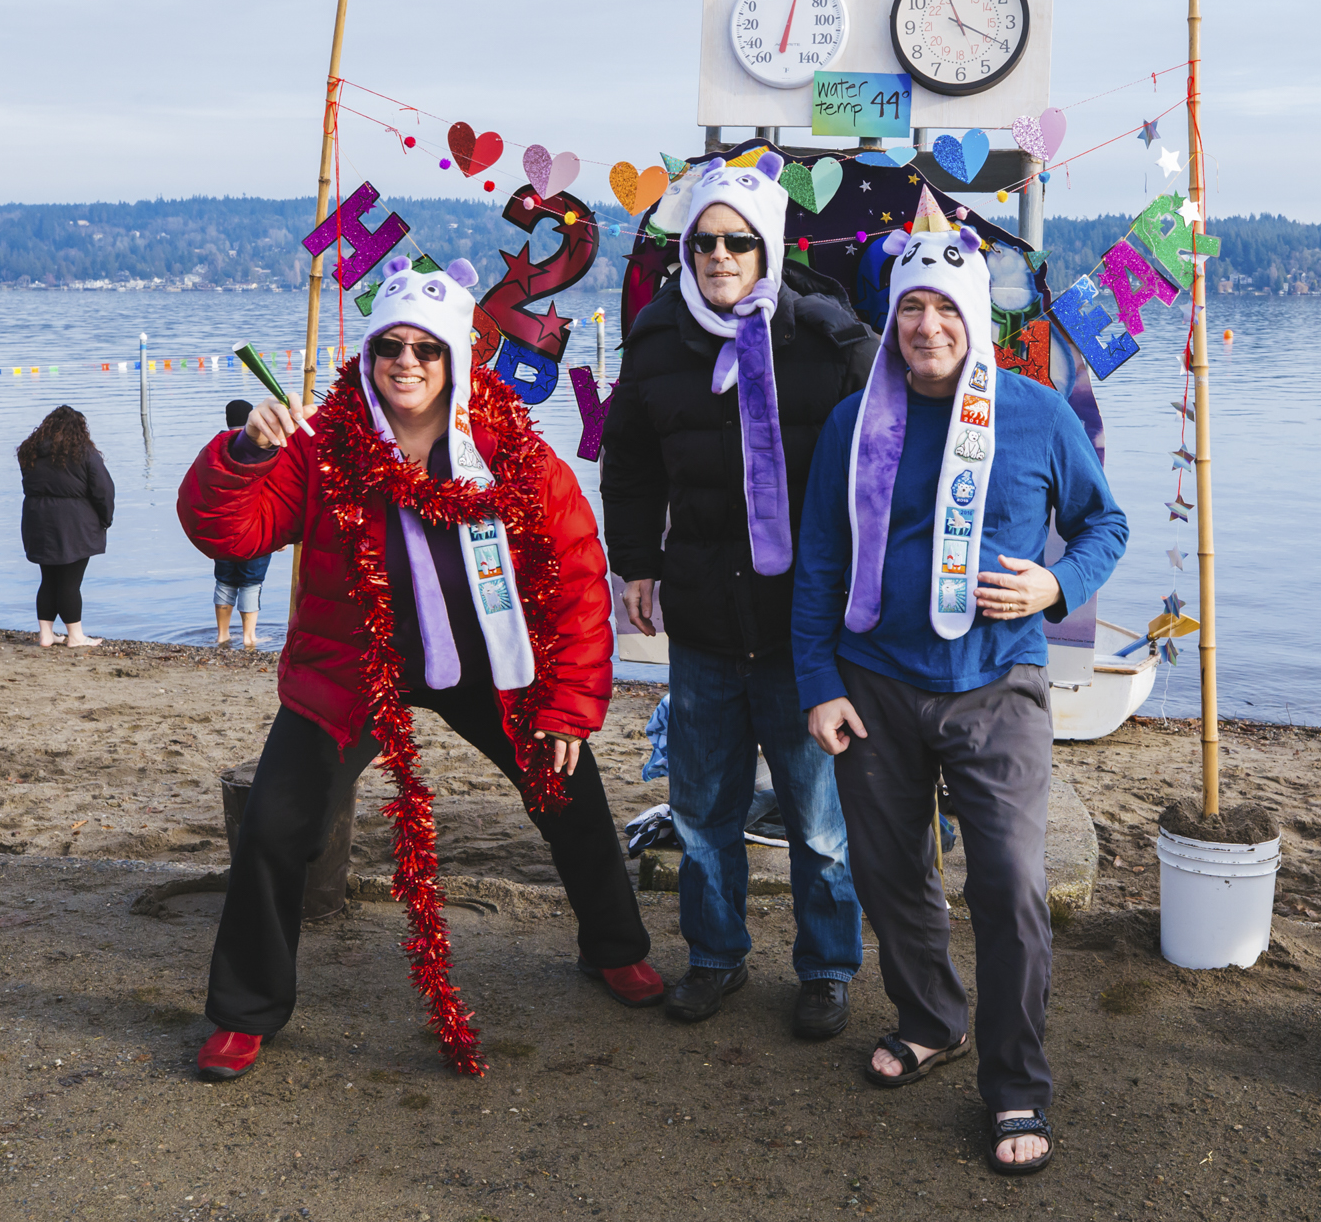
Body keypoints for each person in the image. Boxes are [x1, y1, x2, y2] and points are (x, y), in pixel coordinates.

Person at [178, 255, 660, 1082]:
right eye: (389, 347)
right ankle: (244, 1009)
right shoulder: (324, 444)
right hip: (352, 666)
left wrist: (571, 702)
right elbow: (231, 533)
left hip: (492, 661)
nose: (406, 362)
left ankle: (614, 946)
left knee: (569, 791)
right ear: (368, 357)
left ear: (455, 357)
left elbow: (579, 574)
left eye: (425, 349)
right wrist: (244, 452)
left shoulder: (515, 451)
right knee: (273, 824)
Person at [791, 193, 1128, 1175]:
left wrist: (1056, 580)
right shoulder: (857, 420)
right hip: (875, 679)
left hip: (995, 685)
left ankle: (1015, 1081)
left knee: (1010, 881)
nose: (925, 327)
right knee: (890, 873)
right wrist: (819, 681)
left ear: (973, 317)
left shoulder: (1035, 412)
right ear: (890, 318)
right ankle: (929, 1016)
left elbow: (1103, 523)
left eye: (944, 310)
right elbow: (818, 558)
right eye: (909, 310)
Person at [601, 151, 875, 1037]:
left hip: (805, 630)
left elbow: (895, 448)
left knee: (819, 822)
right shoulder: (656, 342)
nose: (719, 257)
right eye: (704, 242)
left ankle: (828, 967)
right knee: (703, 811)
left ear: (769, 248)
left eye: (738, 242)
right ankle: (715, 958)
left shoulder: (829, 342)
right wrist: (634, 561)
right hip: (706, 619)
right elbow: (631, 465)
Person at [18, 404, 113, 648]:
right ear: (79, 429)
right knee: (71, 582)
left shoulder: (29, 451)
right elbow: (103, 490)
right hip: (74, 523)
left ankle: (46, 635)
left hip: (36, 519)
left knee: (48, 579)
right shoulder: (83, 453)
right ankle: (76, 636)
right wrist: (105, 519)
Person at [212, 399, 272, 649]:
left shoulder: (214, 448)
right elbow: (270, 488)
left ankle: (222, 635)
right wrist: (278, 531)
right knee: (251, 581)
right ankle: (249, 637)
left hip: (222, 527)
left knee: (224, 579)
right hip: (255, 527)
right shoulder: (260, 448)